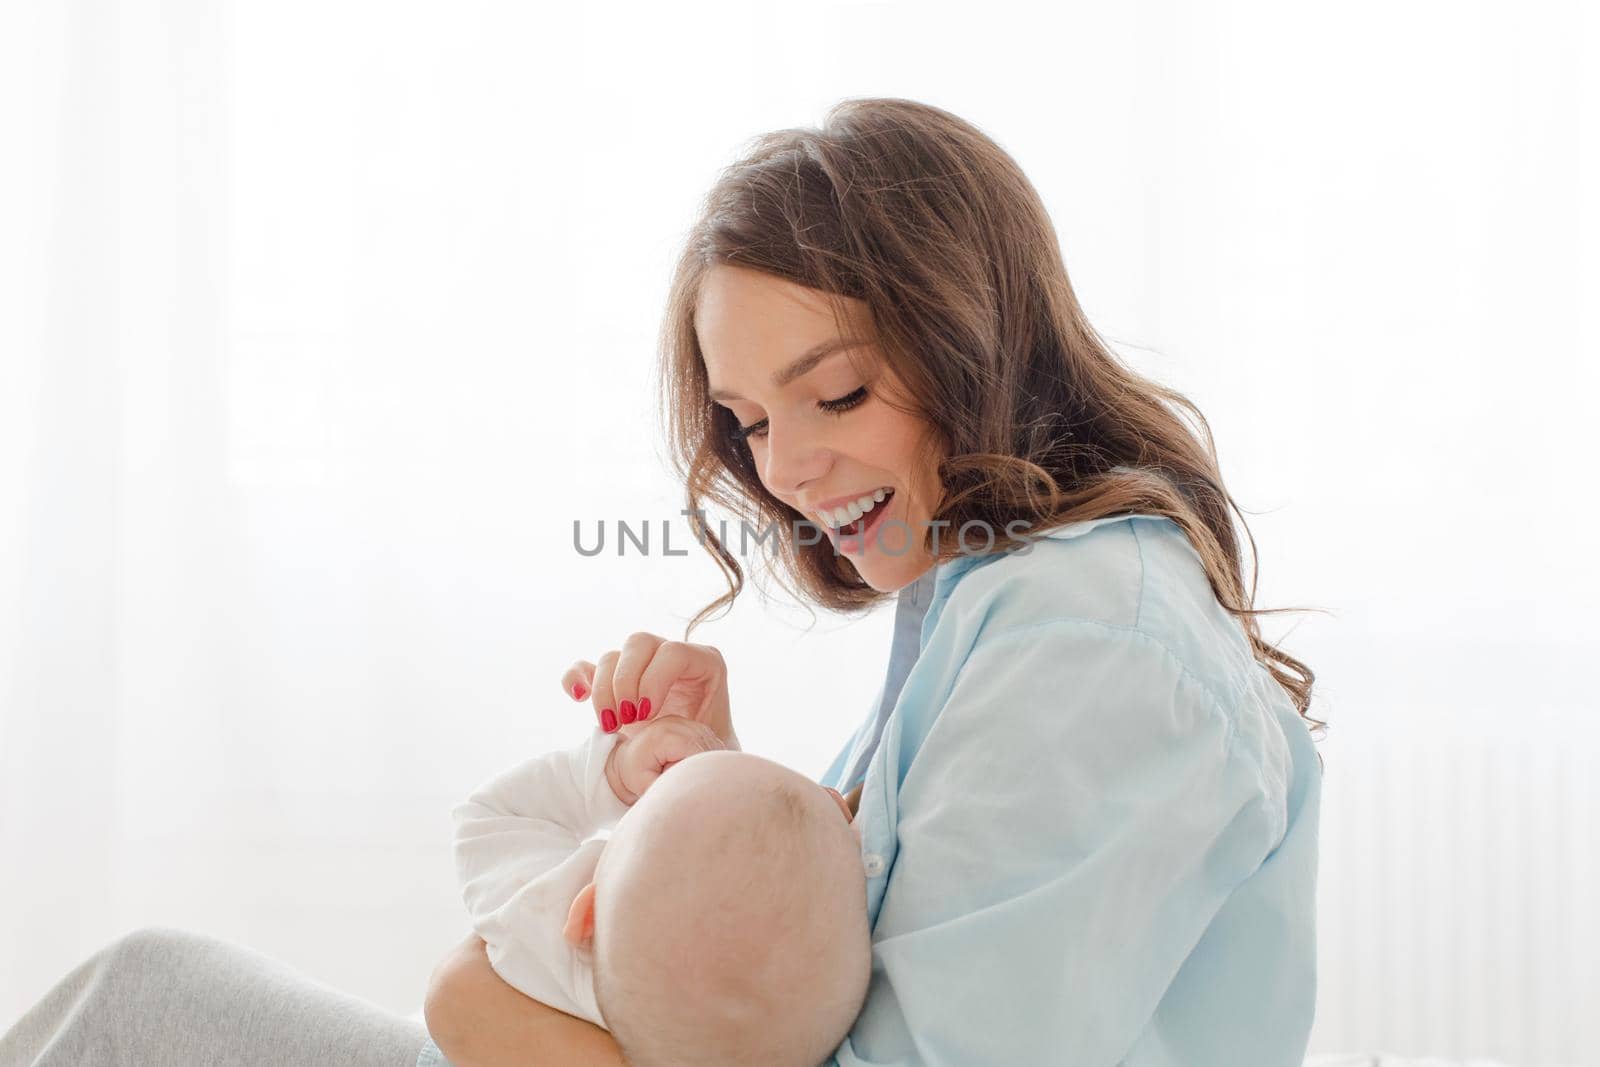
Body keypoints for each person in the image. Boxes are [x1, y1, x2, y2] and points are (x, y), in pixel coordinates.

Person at [0, 95, 1323, 1067]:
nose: (788, 467)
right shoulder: (993, 590)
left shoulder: (1089, 645)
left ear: (976, 333)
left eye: (838, 392)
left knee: (140, 1004)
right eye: (749, 420)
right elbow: (822, 987)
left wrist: (490, 1013)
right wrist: (715, 798)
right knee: (144, 997)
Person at [449, 712, 871, 1067]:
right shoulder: (793, 1022)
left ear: (587, 915)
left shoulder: (545, 920)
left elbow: (491, 818)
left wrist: (611, 775)